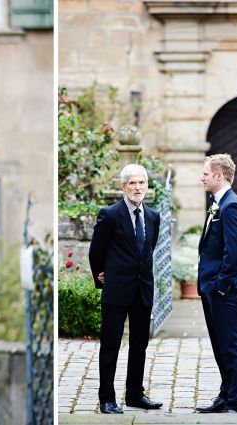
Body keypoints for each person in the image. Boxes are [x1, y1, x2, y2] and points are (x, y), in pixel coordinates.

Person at [88, 164, 162, 414]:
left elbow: (148, 250)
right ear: (123, 186)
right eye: (132, 183)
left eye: (141, 183)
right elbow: (96, 251)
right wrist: (101, 276)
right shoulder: (109, 215)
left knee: (139, 344)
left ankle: (134, 394)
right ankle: (106, 398)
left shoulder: (153, 216)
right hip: (117, 290)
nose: (138, 187)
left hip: (142, 290)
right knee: (110, 345)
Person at [195, 153, 237, 414]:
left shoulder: (232, 206)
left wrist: (221, 286)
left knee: (232, 345)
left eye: (205, 174)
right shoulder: (218, 202)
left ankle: (236, 402)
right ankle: (225, 396)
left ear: (219, 175)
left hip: (222, 290)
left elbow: (234, 254)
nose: (201, 178)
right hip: (211, 288)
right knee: (220, 344)